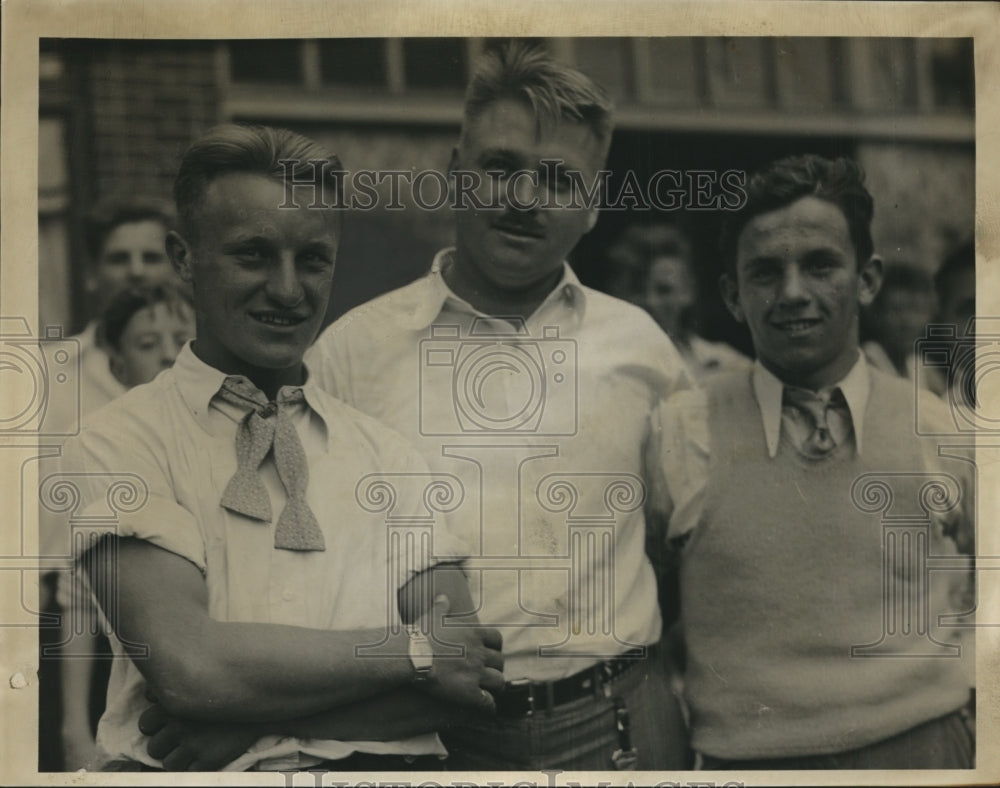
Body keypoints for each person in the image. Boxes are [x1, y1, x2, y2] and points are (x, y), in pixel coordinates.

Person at [57, 123, 504, 772]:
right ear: (184, 259)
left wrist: (248, 725)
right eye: (253, 256)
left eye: (313, 259)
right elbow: (191, 670)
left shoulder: (390, 456)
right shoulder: (119, 444)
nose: (289, 290)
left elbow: (465, 685)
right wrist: (414, 653)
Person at [307, 42, 691, 770]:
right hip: (426, 739)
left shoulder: (643, 350)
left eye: (557, 178)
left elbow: (681, 540)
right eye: (500, 167)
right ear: (454, 173)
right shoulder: (350, 353)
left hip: (618, 728)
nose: (523, 198)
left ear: (593, 205)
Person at [653, 154, 975, 769]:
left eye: (821, 265)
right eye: (766, 272)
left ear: (867, 279)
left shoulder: (938, 428)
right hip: (751, 764)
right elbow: (639, 608)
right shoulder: (682, 431)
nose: (793, 293)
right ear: (733, 295)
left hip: (922, 751)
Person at [54, 282, 196, 770]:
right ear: (117, 364)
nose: (169, 354)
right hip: (143, 714)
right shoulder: (105, 459)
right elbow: (78, 606)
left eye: (183, 338)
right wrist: (74, 730)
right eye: (147, 344)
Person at [610, 223, 749, 380]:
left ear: (688, 292)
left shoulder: (725, 365)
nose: (650, 302)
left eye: (664, 290)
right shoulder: (607, 366)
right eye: (638, 290)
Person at [861, 260, 937, 383]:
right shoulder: (865, 362)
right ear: (877, 315)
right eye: (896, 311)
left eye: (917, 310)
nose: (908, 322)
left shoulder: (920, 367)